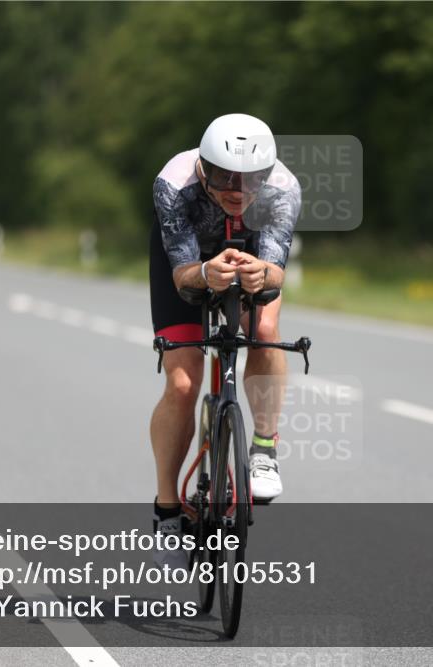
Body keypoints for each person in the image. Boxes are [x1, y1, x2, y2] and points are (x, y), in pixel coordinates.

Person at [149, 114, 301, 565]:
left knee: (267, 332)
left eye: (250, 180)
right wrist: (204, 273)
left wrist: (262, 273)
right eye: (223, 177)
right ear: (202, 168)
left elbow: (276, 269)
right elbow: (182, 276)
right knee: (181, 384)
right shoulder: (173, 184)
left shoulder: (283, 188)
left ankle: (264, 449)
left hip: (252, 251)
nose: (237, 191)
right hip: (188, 261)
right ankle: (167, 511)